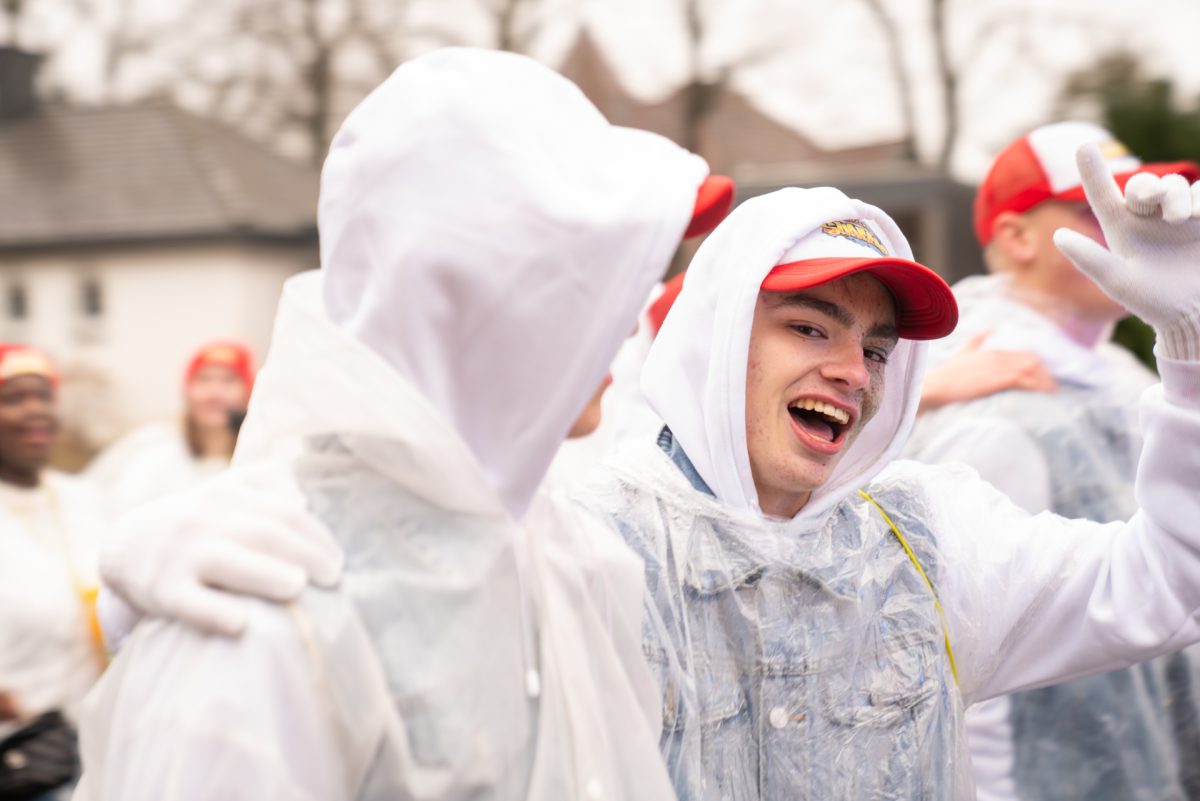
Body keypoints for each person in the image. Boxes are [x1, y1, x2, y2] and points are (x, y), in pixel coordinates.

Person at [88, 87, 1200, 801]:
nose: (850, 372)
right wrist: (151, 566)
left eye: (873, 347)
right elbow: (409, 541)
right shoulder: (590, 537)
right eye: (808, 325)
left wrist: (1190, 351)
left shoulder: (928, 540)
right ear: (718, 336)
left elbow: (1163, 583)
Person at [73, 47, 732, 801]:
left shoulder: (566, 551)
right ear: (479, 293)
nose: (623, 324)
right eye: (592, 277)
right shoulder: (260, 614)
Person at [905, 122, 1200, 801]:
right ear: (1016, 238)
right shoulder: (992, 396)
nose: (1131, 222)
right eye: (1093, 205)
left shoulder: (1123, 372)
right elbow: (958, 657)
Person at [0, 345, 111, 800]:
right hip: (19, 760)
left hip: (96, 745)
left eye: (44, 396)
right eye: (13, 397)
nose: (35, 410)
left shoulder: (88, 501)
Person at [85, 342, 255, 514]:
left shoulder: (258, 458)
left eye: (229, 380)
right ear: (187, 391)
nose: (214, 392)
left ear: (249, 391)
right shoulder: (152, 445)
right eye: (204, 379)